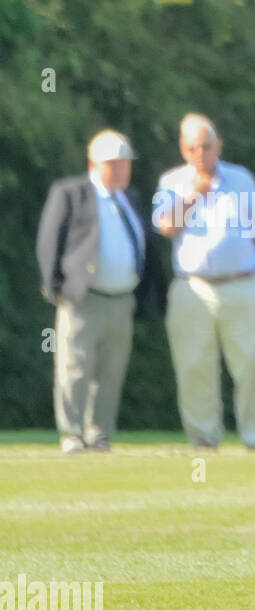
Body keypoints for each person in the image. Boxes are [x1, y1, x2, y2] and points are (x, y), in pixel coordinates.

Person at [36, 130, 166, 453]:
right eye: (114, 163)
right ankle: (72, 433)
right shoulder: (70, 193)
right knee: (75, 368)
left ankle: (98, 433)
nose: (122, 169)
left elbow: (146, 247)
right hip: (83, 298)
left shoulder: (130, 198)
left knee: (111, 371)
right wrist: (55, 289)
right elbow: (49, 241)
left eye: (125, 163)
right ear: (94, 162)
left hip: (122, 300)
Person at [153, 113, 255, 451]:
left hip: (243, 284)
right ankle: (203, 439)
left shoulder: (242, 180)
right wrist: (194, 194)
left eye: (206, 147)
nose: (200, 154)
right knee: (194, 367)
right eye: (193, 148)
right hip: (192, 288)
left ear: (218, 146)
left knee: (253, 365)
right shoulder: (170, 182)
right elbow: (166, 227)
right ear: (182, 149)